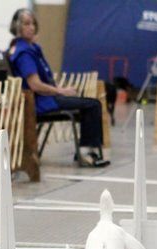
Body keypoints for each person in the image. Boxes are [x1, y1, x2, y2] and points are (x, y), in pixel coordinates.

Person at [8, 8, 109, 167]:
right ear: (17, 27)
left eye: (33, 23)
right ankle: (85, 152)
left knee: (89, 102)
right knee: (93, 105)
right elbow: (35, 85)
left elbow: (44, 79)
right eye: (27, 24)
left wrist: (61, 89)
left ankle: (87, 149)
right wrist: (61, 91)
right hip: (41, 102)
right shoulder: (24, 53)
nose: (32, 27)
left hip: (48, 98)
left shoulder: (33, 48)